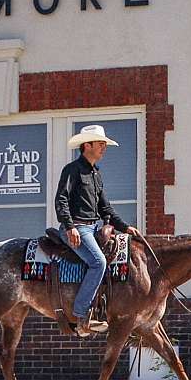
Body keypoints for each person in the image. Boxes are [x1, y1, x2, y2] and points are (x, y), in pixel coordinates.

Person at [54, 124, 140, 337]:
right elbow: (61, 200)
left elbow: (105, 208)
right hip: (77, 228)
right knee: (98, 262)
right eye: (101, 144)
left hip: (93, 228)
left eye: (104, 144)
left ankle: (105, 309)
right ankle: (81, 317)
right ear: (87, 145)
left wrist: (124, 226)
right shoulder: (72, 170)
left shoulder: (96, 174)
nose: (104, 148)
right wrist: (70, 227)